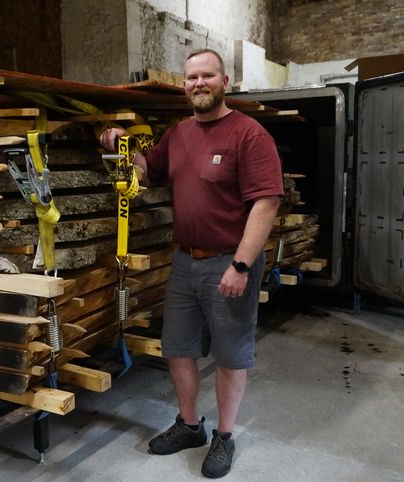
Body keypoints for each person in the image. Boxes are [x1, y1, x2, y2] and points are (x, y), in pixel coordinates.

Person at [100, 48, 283, 479]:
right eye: (191, 78)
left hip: (229, 262)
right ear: (184, 85)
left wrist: (240, 266)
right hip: (184, 262)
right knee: (178, 348)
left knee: (229, 355)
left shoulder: (249, 134)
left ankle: (224, 434)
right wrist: (121, 145)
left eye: (207, 76)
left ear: (225, 81)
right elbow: (150, 171)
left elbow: (267, 204)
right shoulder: (179, 134)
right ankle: (189, 425)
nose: (198, 84)